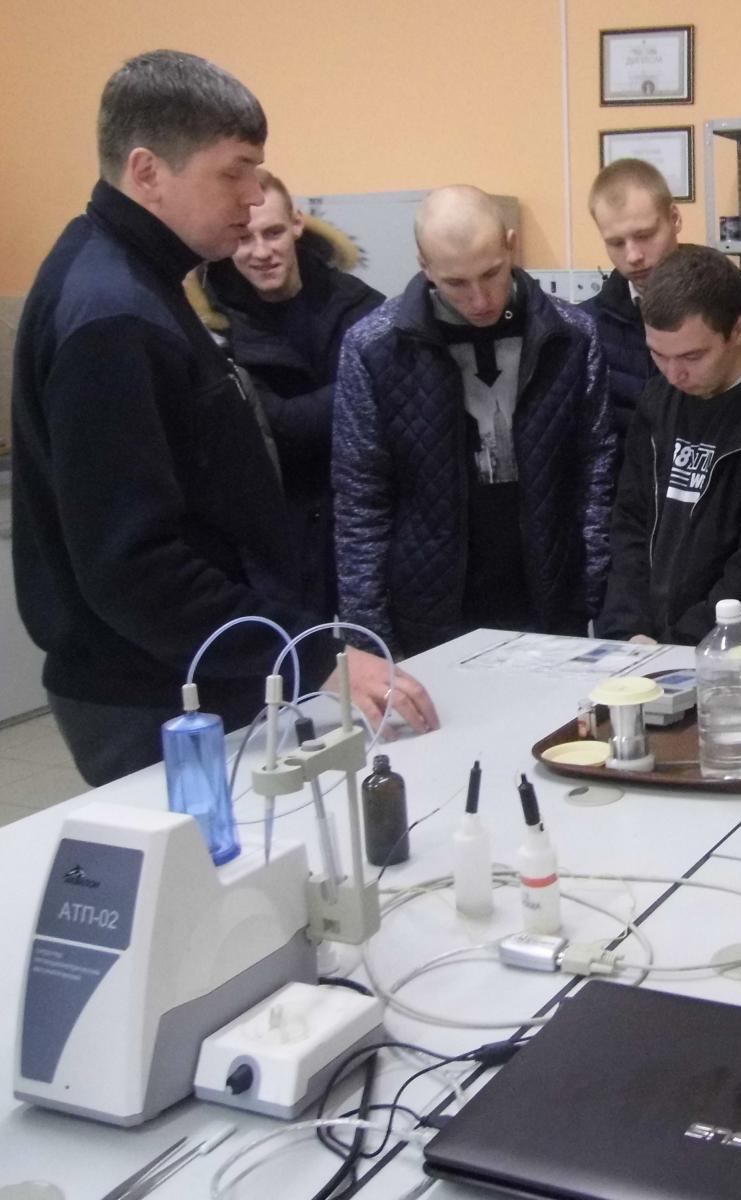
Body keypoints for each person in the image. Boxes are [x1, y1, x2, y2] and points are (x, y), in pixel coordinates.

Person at [10, 50, 435, 787]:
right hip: (155, 696)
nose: (250, 200)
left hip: (199, 671)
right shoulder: (113, 314)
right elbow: (134, 565)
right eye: (233, 172)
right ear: (148, 172)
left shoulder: (135, 281)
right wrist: (308, 656)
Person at [333, 185, 614, 656]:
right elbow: (361, 501)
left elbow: (595, 472)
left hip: (548, 598)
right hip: (430, 608)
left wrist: (595, 594)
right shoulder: (373, 348)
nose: (480, 298)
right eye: (456, 283)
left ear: (510, 244)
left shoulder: (572, 336)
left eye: (491, 273)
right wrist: (371, 640)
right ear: (424, 266)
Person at [596, 244, 741, 647]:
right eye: (658, 354)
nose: (674, 373)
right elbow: (630, 521)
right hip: (649, 647)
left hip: (739, 655)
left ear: (738, 331)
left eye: (692, 355)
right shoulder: (658, 400)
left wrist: (683, 644)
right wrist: (629, 629)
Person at [189, 170, 384, 619]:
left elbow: (390, 406)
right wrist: (359, 391)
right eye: (245, 238)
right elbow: (276, 427)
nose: (261, 252)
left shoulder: (359, 304)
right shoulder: (210, 326)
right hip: (270, 547)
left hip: (361, 529)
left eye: (273, 232)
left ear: (297, 223)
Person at [581, 159, 741, 453]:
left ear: (674, 218)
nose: (633, 255)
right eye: (616, 243)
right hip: (626, 494)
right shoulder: (585, 329)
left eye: (644, 235)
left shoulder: (737, 316)